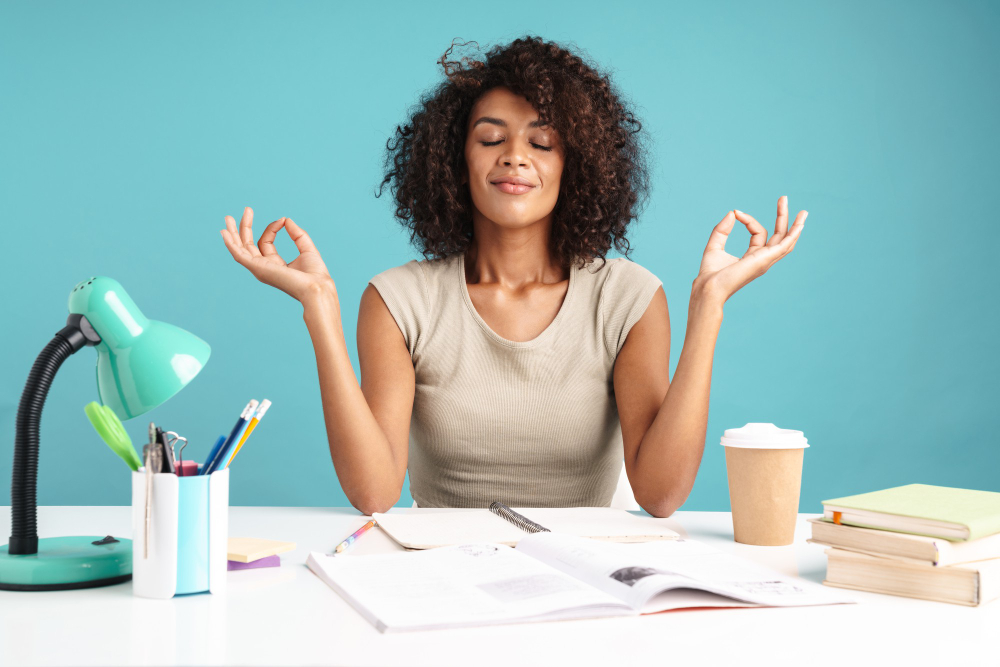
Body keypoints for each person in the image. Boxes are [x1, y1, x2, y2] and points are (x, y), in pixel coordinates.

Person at [219, 36, 806, 517]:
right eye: (492, 138)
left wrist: (709, 307)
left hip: (586, 581)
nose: (515, 157)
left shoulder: (628, 297)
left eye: (542, 142)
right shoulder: (400, 301)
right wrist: (320, 308)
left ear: (574, 165)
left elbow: (660, 495)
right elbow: (374, 494)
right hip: (440, 579)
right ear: (455, 161)